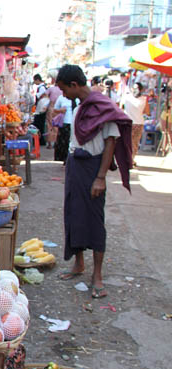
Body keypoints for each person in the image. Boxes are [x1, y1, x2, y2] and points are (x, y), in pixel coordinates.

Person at [55, 65, 132, 299]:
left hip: (92, 168)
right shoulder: (79, 107)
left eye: (63, 89)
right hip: (76, 166)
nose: (62, 94)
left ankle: (97, 275)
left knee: (95, 220)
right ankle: (78, 264)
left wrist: (100, 178)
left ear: (74, 85)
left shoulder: (103, 107)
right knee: (74, 215)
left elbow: (111, 142)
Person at [121, 82, 148, 167]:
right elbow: (147, 112)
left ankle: (126, 159)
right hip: (138, 123)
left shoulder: (126, 97)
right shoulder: (144, 99)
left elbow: (121, 108)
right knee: (135, 142)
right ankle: (131, 159)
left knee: (126, 141)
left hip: (126, 122)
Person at [53, 94, 74, 163]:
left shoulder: (77, 98)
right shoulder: (61, 97)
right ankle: (64, 159)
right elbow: (55, 109)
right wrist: (60, 110)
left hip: (75, 123)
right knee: (64, 142)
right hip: (65, 122)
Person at [45, 85, 64, 149]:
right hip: (59, 109)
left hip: (51, 107)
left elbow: (45, 96)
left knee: (49, 125)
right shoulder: (62, 90)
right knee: (57, 125)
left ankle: (50, 143)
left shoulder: (51, 89)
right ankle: (56, 142)